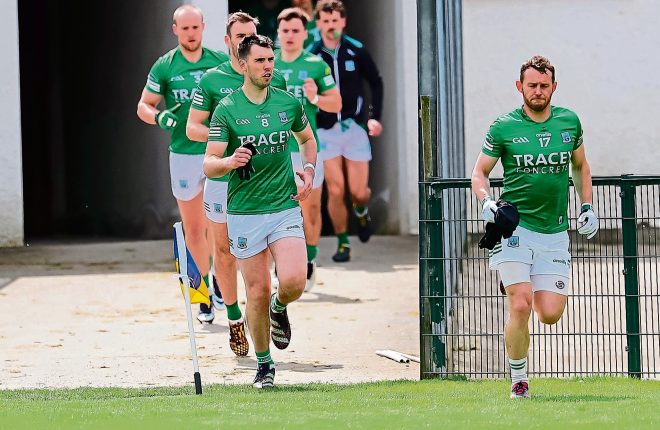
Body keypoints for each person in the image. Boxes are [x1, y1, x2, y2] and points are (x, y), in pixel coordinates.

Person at [470, 55, 599, 399]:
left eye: (544, 85)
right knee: (521, 305)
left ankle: (518, 282)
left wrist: (587, 206)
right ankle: (519, 380)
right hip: (515, 229)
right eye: (532, 85)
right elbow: (479, 172)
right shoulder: (503, 126)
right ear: (520, 87)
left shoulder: (569, 122)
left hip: (554, 232)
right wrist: (487, 201)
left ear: (554, 87)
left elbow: (580, 166)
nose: (538, 91)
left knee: (550, 313)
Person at [203, 35, 317, 389]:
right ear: (243, 65)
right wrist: (229, 161)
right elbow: (209, 164)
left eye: (270, 60)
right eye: (260, 61)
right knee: (256, 290)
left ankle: (279, 307)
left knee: (295, 281)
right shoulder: (227, 109)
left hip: (284, 205)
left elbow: (307, 140)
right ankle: (265, 365)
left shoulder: (288, 102)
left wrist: (308, 170)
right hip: (245, 213)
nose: (268, 66)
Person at [186, 12, 287, 356]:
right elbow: (192, 128)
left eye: (252, 35)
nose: (247, 41)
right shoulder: (213, 79)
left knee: (266, 249)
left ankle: (267, 305)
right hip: (224, 176)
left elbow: (289, 122)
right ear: (228, 41)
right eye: (240, 36)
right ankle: (233, 318)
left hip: (264, 178)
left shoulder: (273, 76)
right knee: (224, 251)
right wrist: (227, 141)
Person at [136, 5, 229, 324]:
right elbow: (144, 105)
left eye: (195, 27)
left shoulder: (219, 62)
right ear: (175, 29)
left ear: (203, 27)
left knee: (218, 223)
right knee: (194, 227)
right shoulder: (165, 66)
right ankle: (202, 293)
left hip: (216, 151)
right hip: (183, 154)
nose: (190, 34)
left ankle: (221, 279)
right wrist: (159, 116)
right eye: (184, 28)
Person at [309, 0, 384, 262]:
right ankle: (343, 243)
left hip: (354, 127)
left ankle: (361, 212)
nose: (331, 26)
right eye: (325, 21)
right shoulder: (312, 55)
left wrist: (374, 118)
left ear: (343, 22)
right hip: (325, 130)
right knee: (336, 190)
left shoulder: (356, 50)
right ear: (318, 24)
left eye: (335, 21)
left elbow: (376, 82)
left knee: (358, 192)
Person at [275, 7, 341, 290]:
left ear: (305, 34)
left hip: (306, 149)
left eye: (295, 31)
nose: (290, 35)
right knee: (276, 209)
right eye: (285, 30)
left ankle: (310, 259)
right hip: (274, 150)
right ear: (278, 33)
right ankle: (281, 265)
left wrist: (315, 97)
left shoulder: (316, 64)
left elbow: (336, 103)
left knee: (310, 209)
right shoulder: (267, 63)